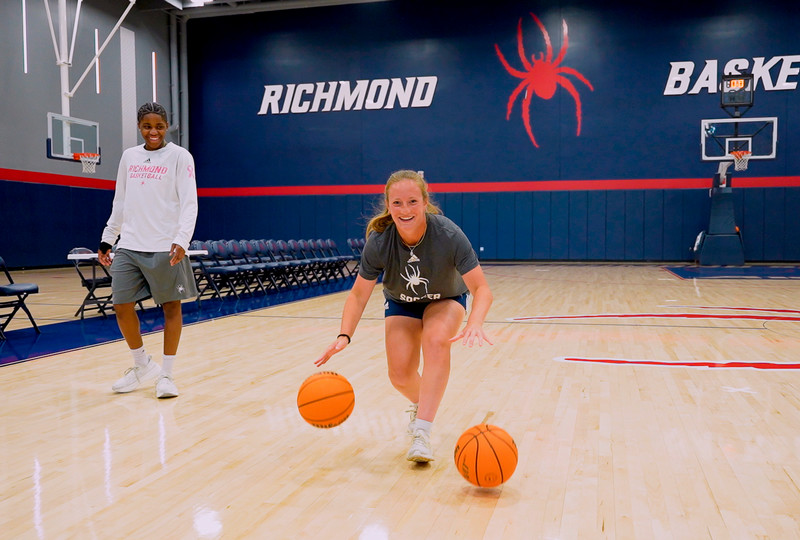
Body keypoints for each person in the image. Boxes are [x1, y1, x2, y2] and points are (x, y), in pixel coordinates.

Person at [316, 170, 493, 462]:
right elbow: (359, 294)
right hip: (402, 302)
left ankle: (421, 433)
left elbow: (482, 288)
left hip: (445, 298)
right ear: (388, 205)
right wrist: (344, 335)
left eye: (412, 201)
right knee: (399, 375)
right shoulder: (380, 241)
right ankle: (420, 403)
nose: (405, 210)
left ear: (425, 202)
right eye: (397, 203)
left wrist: (475, 322)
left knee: (436, 341)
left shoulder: (448, 235)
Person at [98, 102, 199, 399]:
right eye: (146, 126)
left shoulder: (181, 157)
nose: (152, 131)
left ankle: (166, 374)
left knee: (171, 307)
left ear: (166, 126)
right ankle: (142, 365)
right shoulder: (130, 157)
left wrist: (182, 239)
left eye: (158, 126)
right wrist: (108, 238)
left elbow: (189, 202)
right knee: (121, 305)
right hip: (129, 244)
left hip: (165, 245)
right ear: (139, 127)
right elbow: (121, 201)